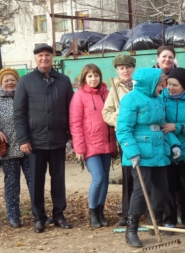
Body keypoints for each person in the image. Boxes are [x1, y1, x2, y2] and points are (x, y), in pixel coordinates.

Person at [117, 68, 181, 248]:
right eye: (160, 84)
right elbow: (123, 129)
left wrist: (174, 144)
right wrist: (132, 152)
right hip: (140, 154)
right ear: (150, 83)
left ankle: (156, 223)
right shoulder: (130, 99)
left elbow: (162, 126)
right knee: (140, 191)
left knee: (162, 189)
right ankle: (132, 229)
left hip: (159, 152)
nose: (163, 88)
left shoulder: (158, 100)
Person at [13, 43, 74, 233]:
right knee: (37, 181)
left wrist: (71, 136)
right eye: (40, 56)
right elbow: (19, 112)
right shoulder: (26, 81)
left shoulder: (63, 81)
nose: (44, 59)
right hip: (35, 141)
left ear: (52, 58)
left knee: (58, 180)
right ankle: (39, 217)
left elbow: (71, 110)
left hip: (57, 139)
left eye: (47, 55)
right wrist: (23, 139)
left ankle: (59, 215)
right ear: (36, 59)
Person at [0, 68, 33, 228]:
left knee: (34, 182)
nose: (10, 83)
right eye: (6, 80)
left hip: (29, 147)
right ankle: (13, 215)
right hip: (9, 149)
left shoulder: (26, 97)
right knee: (12, 184)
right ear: (1, 82)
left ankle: (38, 213)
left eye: (13, 80)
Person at [70, 64, 117, 228]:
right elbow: (75, 123)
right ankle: (92, 213)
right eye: (89, 76)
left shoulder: (107, 93)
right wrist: (79, 148)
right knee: (97, 178)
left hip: (106, 142)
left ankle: (100, 211)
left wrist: (114, 145)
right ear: (84, 78)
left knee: (104, 180)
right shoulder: (79, 96)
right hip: (90, 145)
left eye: (96, 75)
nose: (93, 79)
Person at [161, 68, 185, 230]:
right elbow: (161, 124)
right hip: (167, 151)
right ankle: (170, 219)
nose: (170, 87)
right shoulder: (161, 99)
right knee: (168, 187)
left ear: (184, 86)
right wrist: (170, 130)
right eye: (168, 83)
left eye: (174, 85)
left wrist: (175, 127)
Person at [102, 54, 136, 227]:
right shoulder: (114, 89)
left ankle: (145, 210)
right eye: (121, 68)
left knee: (144, 173)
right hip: (125, 136)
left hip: (142, 135)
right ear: (117, 70)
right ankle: (127, 212)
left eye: (128, 67)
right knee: (128, 174)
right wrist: (119, 119)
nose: (125, 70)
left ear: (133, 69)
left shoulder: (140, 86)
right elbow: (106, 112)